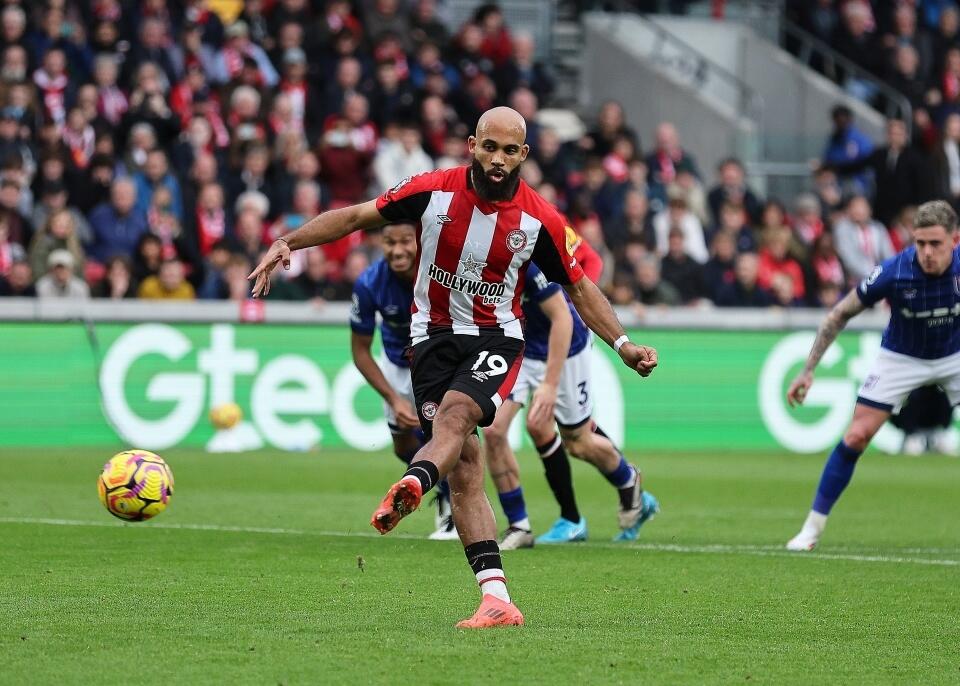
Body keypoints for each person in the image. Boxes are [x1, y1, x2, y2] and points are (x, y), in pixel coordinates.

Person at [248, 106, 658, 629]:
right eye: (490, 147)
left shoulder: (539, 220)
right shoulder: (432, 191)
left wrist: (623, 344)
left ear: (523, 155)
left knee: (458, 416)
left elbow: (578, 288)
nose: (498, 159)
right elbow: (354, 216)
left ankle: (415, 480)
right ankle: (495, 597)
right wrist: (288, 241)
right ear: (472, 145)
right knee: (464, 467)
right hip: (431, 340)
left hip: (497, 337)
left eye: (509, 151)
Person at [785, 200, 960, 551]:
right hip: (902, 356)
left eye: (935, 244)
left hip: (954, 355)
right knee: (856, 436)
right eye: (920, 243)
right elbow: (838, 315)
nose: (927, 252)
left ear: (954, 240)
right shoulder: (894, 271)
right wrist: (808, 370)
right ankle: (811, 529)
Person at [483, 262, 659, 549]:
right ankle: (521, 525)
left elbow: (562, 318)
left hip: (564, 349)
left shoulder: (529, 260)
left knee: (577, 442)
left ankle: (628, 480)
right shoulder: (479, 255)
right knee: (494, 431)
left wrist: (549, 385)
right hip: (519, 348)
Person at [349, 222, 457, 541]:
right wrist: (394, 398)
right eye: (389, 242)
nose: (397, 250)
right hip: (397, 367)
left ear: (420, 240)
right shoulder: (369, 283)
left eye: (406, 241)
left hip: (438, 364)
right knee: (403, 445)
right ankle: (439, 482)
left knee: (449, 439)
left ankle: (453, 507)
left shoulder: (439, 273)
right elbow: (360, 352)